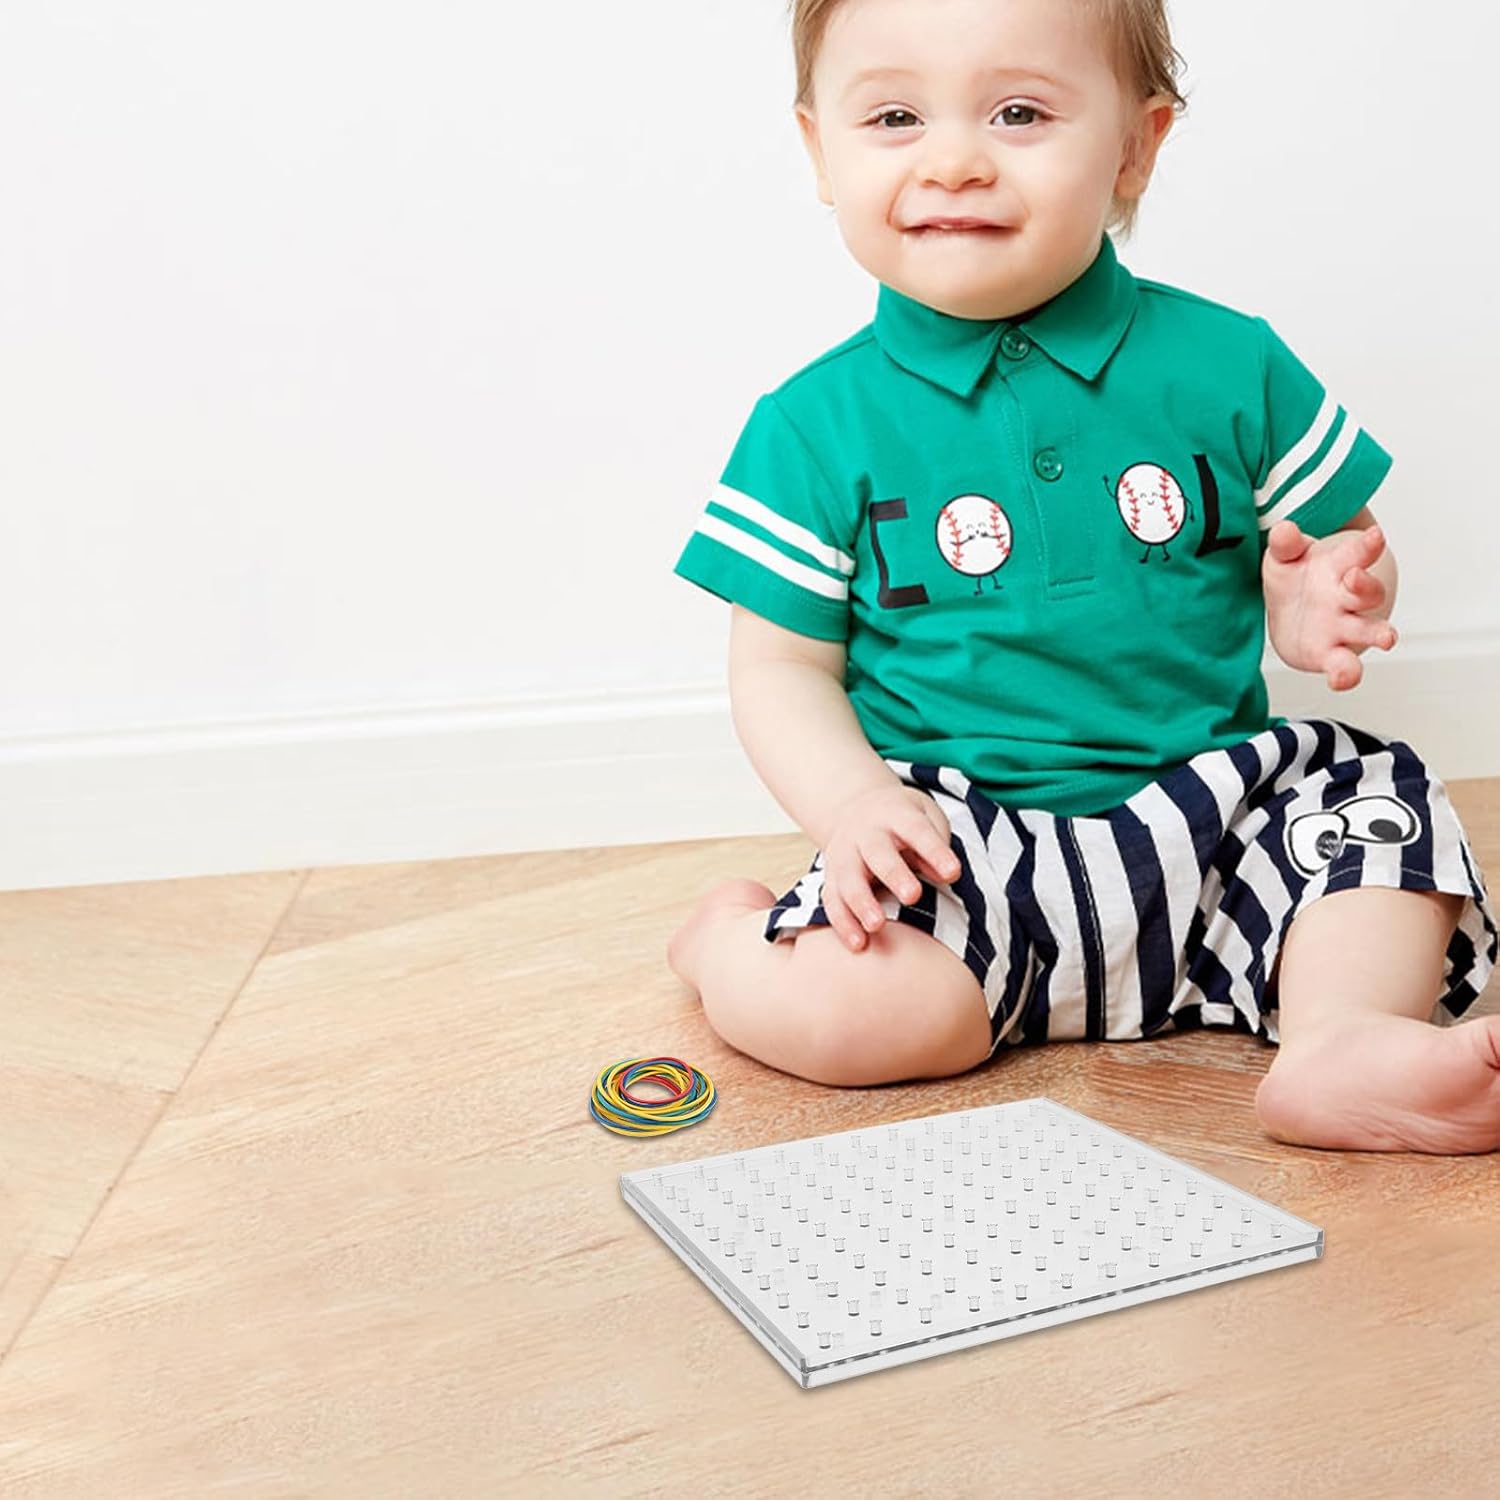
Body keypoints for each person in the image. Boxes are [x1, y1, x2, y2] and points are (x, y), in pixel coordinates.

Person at [666, 0, 1500, 1153]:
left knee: (1378, 807)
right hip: (963, 842)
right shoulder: (813, 427)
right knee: (856, 1013)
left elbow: (1342, 547)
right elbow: (781, 669)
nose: (953, 161)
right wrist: (854, 806)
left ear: (1134, 147)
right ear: (820, 151)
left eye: (1018, 113)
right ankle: (724, 944)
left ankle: (1341, 1036)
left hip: (1216, 820)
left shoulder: (1230, 362)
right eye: (896, 117)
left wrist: (1322, 598)